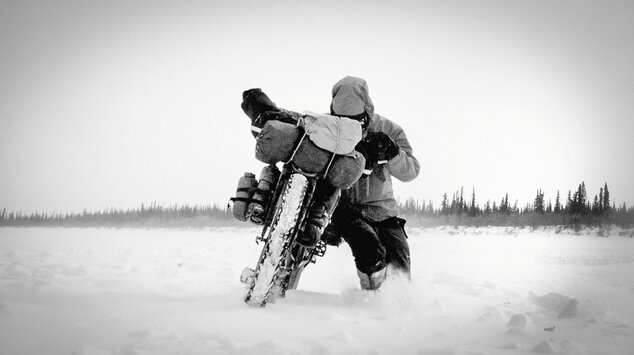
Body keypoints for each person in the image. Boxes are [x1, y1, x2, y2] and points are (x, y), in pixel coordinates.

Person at [320, 76, 420, 290]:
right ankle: (278, 289)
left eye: (356, 120)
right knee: (304, 236)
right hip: (338, 207)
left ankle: (387, 305)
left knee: (400, 274)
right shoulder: (324, 128)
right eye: (342, 119)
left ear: (367, 110)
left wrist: (393, 153)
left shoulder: (389, 129)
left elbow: (411, 171)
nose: (350, 125)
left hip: (380, 210)